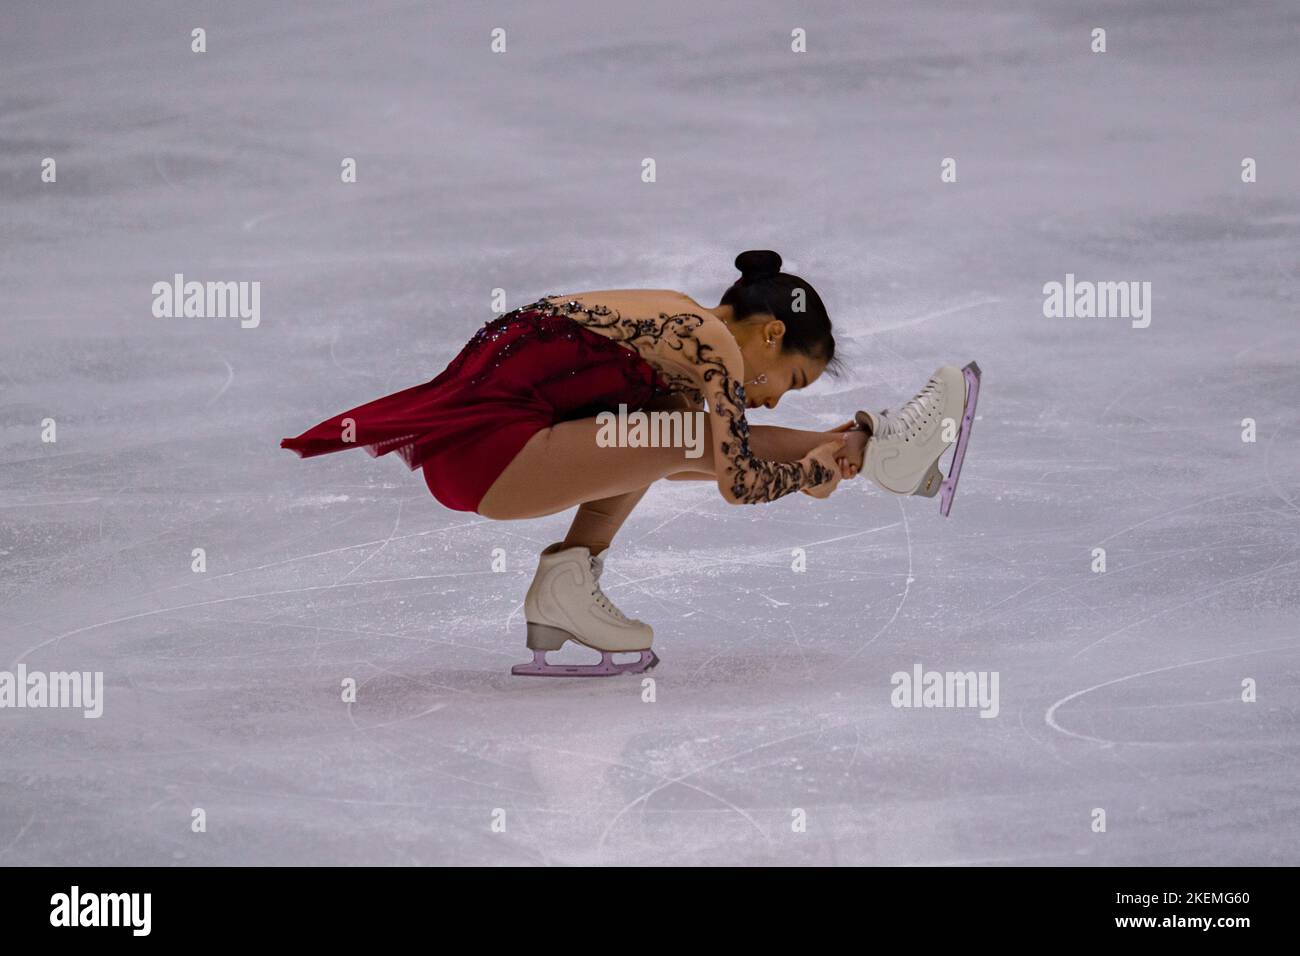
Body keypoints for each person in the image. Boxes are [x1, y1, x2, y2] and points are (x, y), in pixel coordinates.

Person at [282, 250, 980, 676]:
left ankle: (565, 585)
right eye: (789, 381)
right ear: (771, 333)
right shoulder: (711, 343)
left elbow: (694, 452)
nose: (768, 402)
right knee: (682, 437)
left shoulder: (682, 323)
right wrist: (812, 472)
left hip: (488, 452)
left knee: (664, 439)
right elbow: (735, 479)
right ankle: (884, 455)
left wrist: (828, 454)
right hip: (490, 452)